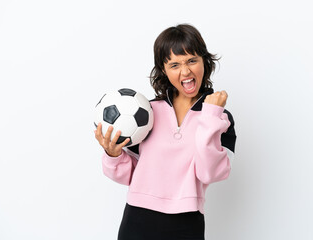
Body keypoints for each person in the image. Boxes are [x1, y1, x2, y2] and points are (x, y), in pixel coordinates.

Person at [94, 24, 236, 240]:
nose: (186, 71)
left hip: (186, 222)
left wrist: (210, 115)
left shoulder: (219, 117)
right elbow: (129, 175)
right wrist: (113, 155)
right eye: (175, 64)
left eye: (192, 61)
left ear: (204, 62)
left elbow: (210, 173)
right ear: (164, 69)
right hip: (137, 218)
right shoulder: (147, 113)